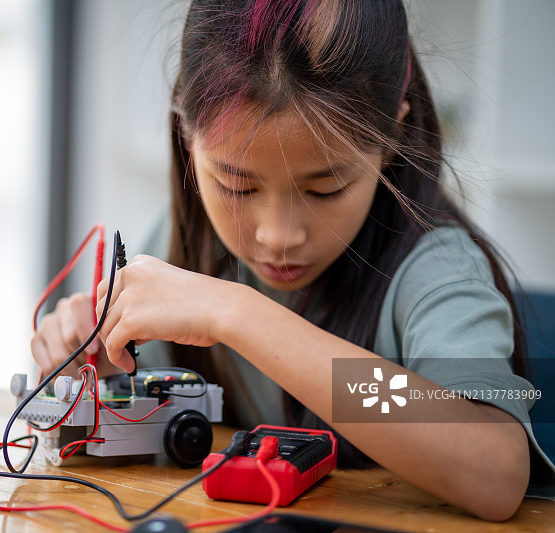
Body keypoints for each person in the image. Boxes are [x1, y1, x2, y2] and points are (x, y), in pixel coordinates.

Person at [31, 0, 555, 521]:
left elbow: (496, 470)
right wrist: (87, 373)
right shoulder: (185, 241)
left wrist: (239, 315)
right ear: (187, 136)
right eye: (236, 186)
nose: (276, 237)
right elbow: (144, 426)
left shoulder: (437, 269)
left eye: (326, 187)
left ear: (393, 133)